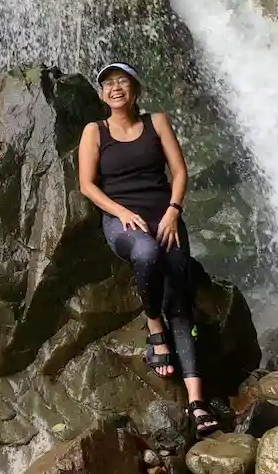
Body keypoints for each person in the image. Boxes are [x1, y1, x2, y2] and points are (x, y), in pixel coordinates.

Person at [78, 61, 220, 438]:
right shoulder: (95, 131)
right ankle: (153, 324)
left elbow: (180, 171)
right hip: (123, 221)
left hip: (165, 216)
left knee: (180, 292)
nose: (115, 88)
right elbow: (87, 185)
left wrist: (174, 211)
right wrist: (121, 212)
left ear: (135, 89)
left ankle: (196, 401)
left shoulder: (157, 122)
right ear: (101, 95)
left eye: (122, 81)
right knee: (146, 254)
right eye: (108, 83)